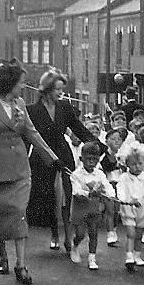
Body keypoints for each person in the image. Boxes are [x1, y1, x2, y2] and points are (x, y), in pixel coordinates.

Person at [0, 59, 63, 285]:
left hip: (19, 168)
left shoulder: (19, 104)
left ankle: (21, 264)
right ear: (9, 84)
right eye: (20, 83)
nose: (23, 87)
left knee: (19, 214)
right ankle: (3, 256)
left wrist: (53, 159)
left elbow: (32, 133)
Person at [26, 68, 101, 253]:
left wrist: (99, 146)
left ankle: (68, 236)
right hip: (42, 156)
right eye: (57, 89)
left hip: (63, 153)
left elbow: (79, 129)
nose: (61, 93)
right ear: (46, 89)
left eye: (62, 89)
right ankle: (54, 233)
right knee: (50, 197)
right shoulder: (32, 110)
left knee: (69, 195)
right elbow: (27, 137)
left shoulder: (65, 107)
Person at [69, 142, 117, 270]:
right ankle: (75, 245)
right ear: (81, 158)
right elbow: (76, 191)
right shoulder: (76, 174)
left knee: (94, 232)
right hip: (80, 207)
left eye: (95, 159)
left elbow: (106, 185)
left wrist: (111, 195)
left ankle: (92, 258)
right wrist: (88, 193)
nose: (91, 162)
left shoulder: (100, 174)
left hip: (94, 207)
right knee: (80, 234)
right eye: (88, 158)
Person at [116, 150, 144, 271]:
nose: (137, 167)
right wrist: (127, 200)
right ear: (128, 165)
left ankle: (137, 255)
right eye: (133, 164)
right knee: (131, 233)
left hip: (143, 209)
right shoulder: (124, 178)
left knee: (139, 234)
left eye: (140, 164)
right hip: (128, 208)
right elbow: (120, 192)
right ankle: (129, 256)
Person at [99, 128, 125, 246]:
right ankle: (110, 233)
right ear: (106, 141)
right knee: (110, 210)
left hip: (120, 184)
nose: (116, 141)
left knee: (116, 210)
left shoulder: (123, 154)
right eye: (113, 139)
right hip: (109, 183)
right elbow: (102, 169)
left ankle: (114, 230)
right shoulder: (104, 155)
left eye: (119, 139)